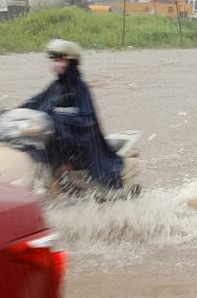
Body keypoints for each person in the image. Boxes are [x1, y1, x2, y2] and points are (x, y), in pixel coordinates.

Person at [19, 39, 123, 190]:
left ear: (71, 62)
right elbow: (34, 104)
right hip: (55, 146)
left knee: (56, 173)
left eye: (60, 59)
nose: (56, 63)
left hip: (78, 149)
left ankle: (61, 205)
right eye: (54, 59)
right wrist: (13, 114)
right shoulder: (54, 88)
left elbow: (87, 121)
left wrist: (58, 121)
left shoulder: (80, 89)